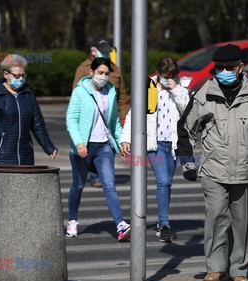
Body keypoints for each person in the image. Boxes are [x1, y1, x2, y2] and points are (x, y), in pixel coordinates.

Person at [177, 44, 248, 281]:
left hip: (246, 171)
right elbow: (185, 129)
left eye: (229, 67)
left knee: (242, 224)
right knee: (216, 218)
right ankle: (215, 269)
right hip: (214, 170)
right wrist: (188, 163)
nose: (224, 71)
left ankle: (238, 269)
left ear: (241, 67)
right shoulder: (204, 94)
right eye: (220, 68)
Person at [120, 58, 190, 242]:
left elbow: (187, 110)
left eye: (171, 76)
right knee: (163, 181)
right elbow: (133, 113)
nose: (168, 79)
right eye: (165, 76)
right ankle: (164, 224)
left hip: (172, 144)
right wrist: (126, 139)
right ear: (158, 74)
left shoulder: (180, 88)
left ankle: (162, 221)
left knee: (167, 184)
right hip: (154, 144)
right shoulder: (148, 87)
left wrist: (175, 88)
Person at [66, 57, 130, 241]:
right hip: (83, 147)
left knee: (109, 185)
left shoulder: (110, 92)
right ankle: (72, 220)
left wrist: (121, 141)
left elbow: (114, 122)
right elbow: (71, 119)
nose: (103, 77)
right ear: (91, 72)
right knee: (78, 186)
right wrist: (78, 143)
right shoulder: (80, 91)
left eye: (106, 74)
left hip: (103, 147)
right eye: (100, 73)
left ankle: (120, 224)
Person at [0, 54, 57, 166]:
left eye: (23, 75)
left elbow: (37, 124)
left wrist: (49, 147)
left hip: (25, 156)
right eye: (17, 76)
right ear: (6, 74)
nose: (21, 79)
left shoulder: (28, 94)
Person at [73, 36, 130, 188]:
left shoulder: (115, 69)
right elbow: (76, 96)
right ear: (93, 51)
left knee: (109, 148)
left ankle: (102, 174)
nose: (106, 55)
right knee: (93, 147)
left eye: (108, 52)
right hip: (91, 120)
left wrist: (124, 117)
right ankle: (95, 175)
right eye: (103, 52)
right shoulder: (83, 69)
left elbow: (122, 96)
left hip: (111, 118)